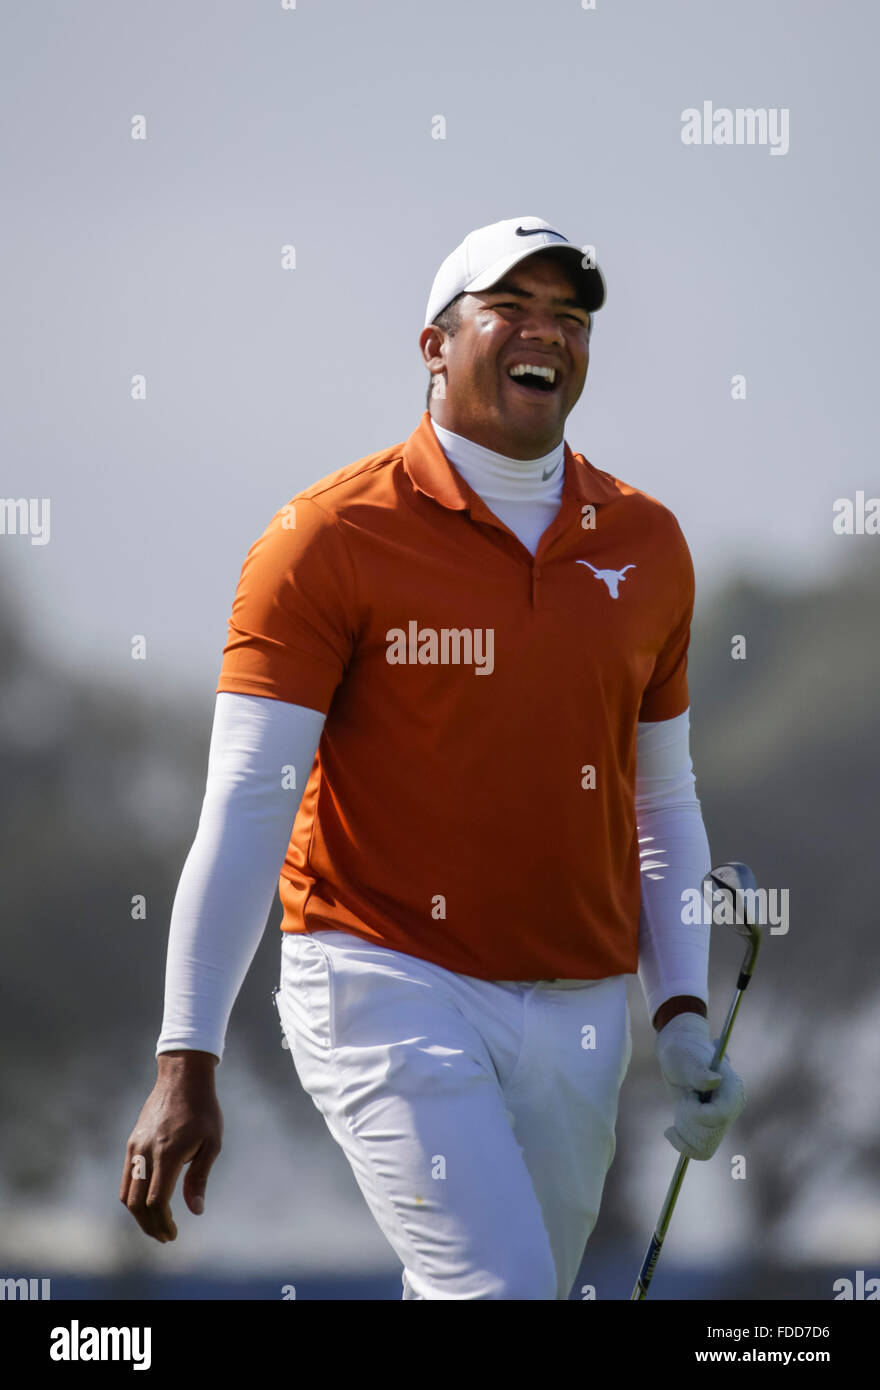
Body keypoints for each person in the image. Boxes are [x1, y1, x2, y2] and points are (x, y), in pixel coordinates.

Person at [120, 215, 746, 1300]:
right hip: (382, 973)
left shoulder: (646, 543)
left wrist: (679, 1009)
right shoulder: (323, 538)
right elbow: (245, 807)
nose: (544, 333)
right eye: (511, 308)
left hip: (579, 1000)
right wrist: (187, 1055)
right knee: (493, 1290)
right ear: (434, 345)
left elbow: (663, 802)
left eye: (569, 316)